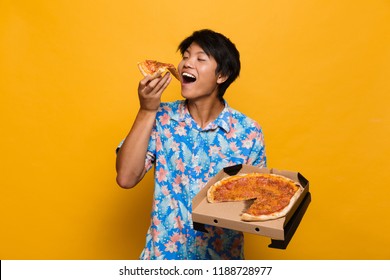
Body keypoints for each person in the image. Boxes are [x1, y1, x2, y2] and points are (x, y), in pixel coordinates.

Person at [116, 29, 266, 260]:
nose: (187, 63)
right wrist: (147, 109)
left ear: (222, 75)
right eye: (186, 56)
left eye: (200, 58)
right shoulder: (161, 117)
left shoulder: (248, 132)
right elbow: (126, 178)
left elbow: (256, 204)